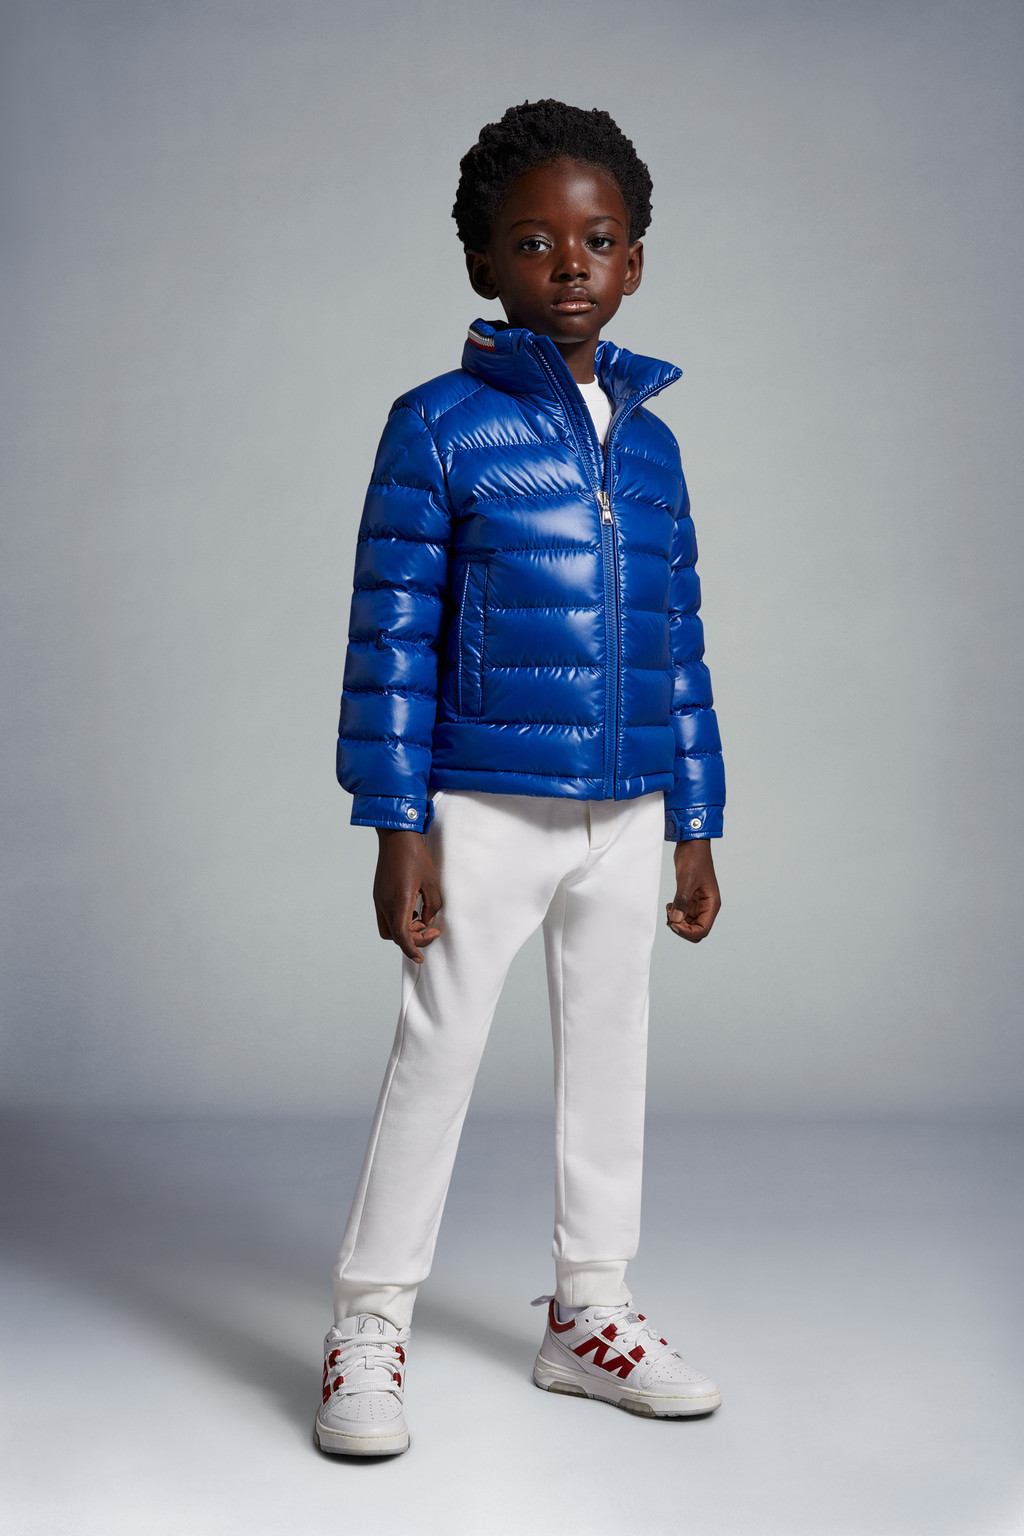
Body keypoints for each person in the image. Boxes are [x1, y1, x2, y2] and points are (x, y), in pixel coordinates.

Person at [316, 99, 726, 1457]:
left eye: (597, 241)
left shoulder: (653, 447)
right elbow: (389, 634)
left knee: (611, 1053)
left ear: (635, 261)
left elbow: (678, 643)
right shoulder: (436, 427)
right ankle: (369, 1325)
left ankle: (589, 1312)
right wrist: (397, 822)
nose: (568, 265)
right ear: (484, 261)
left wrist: (695, 819)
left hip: (629, 807)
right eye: (534, 241)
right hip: (482, 801)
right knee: (437, 1054)